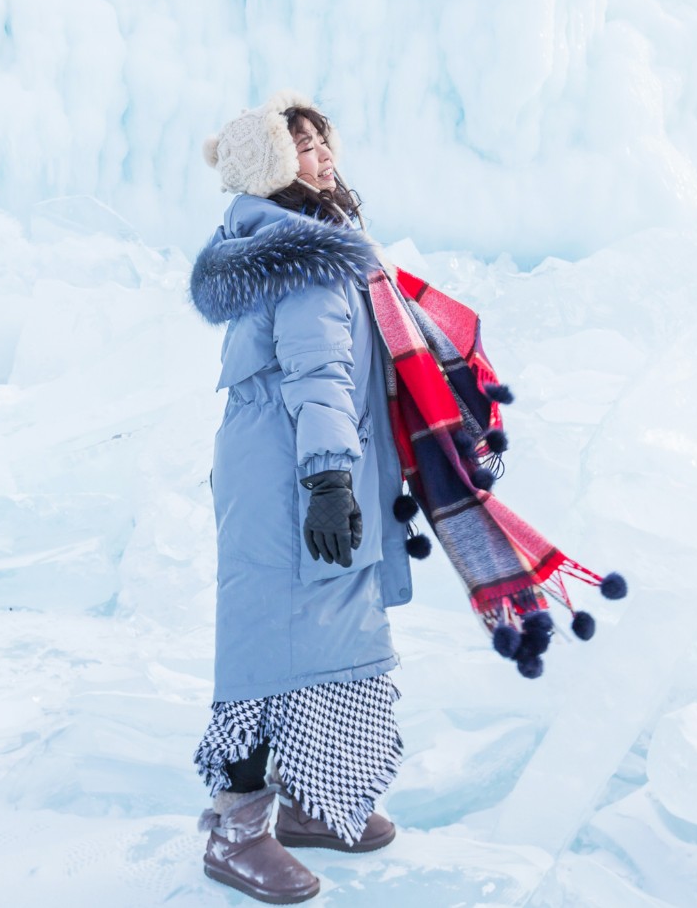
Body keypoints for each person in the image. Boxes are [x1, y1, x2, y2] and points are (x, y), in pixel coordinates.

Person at [186, 90, 413, 904]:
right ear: (268, 168)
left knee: (323, 625)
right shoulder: (302, 253)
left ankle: (312, 799)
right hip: (290, 469)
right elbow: (316, 370)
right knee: (264, 643)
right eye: (302, 148)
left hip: (292, 460)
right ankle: (238, 829)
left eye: (322, 142)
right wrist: (326, 477)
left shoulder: (293, 238)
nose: (322, 158)